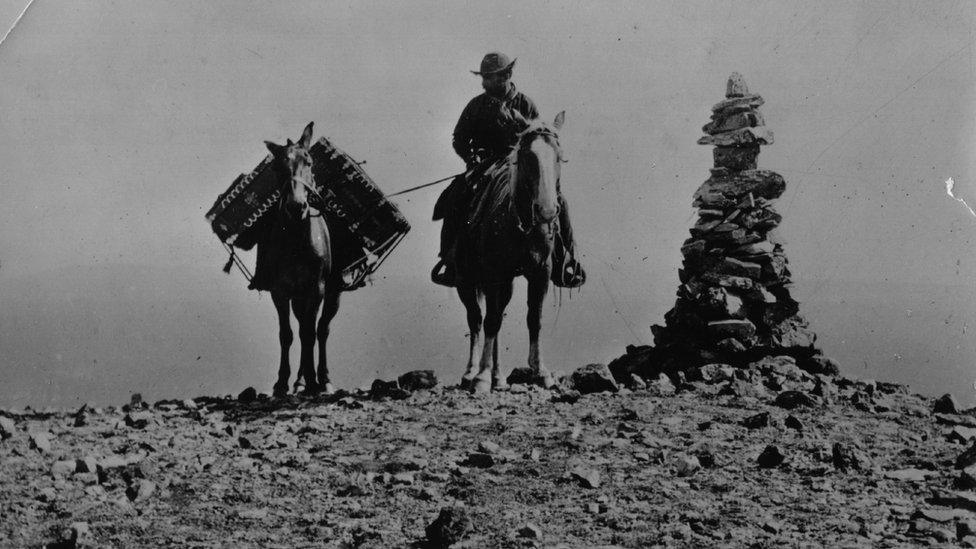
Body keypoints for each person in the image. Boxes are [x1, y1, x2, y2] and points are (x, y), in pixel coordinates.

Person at [431, 51, 585, 288]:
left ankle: (566, 260)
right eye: (483, 77)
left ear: (507, 75)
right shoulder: (476, 105)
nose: (484, 82)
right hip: (485, 165)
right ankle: (450, 260)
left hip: (520, 165)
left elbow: (539, 137)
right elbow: (459, 138)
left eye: (489, 77)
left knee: (557, 201)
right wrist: (471, 158)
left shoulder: (526, 103)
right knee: (454, 195)